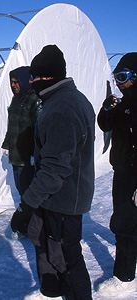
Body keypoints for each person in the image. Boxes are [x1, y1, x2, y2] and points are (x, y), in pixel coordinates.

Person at [21, 45, 95, 300]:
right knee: (47, 243)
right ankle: (53, 288)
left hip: (64, 199)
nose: (31, 83)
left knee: (66, 256)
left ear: (47, 78)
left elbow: (55, 168)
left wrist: (27, 205)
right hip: (59, 196)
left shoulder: (61, 109)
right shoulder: (68, 99)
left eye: (34, 78)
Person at [97, 53, 137, 297]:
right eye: (116, 77)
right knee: (126, 221)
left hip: (133, 175)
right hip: (122, 172)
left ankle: (124, 277)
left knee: (124, 223)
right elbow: (105, 124)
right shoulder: (124, 105)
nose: (119, 83)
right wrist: (106, 108)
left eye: (123, 77)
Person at [1, 66, 42, 237]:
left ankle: (33, 224)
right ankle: (29, 223)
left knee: (30, 192)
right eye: (12, 82)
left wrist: (36, 153)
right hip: (17, 155)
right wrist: (7, 144)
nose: (13, 85)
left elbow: (40, 128)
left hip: (29, 156)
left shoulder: (35, 99)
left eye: (16, 81)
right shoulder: (16, 99)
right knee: (21, 188)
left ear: (25, 81)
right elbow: (13, 125)